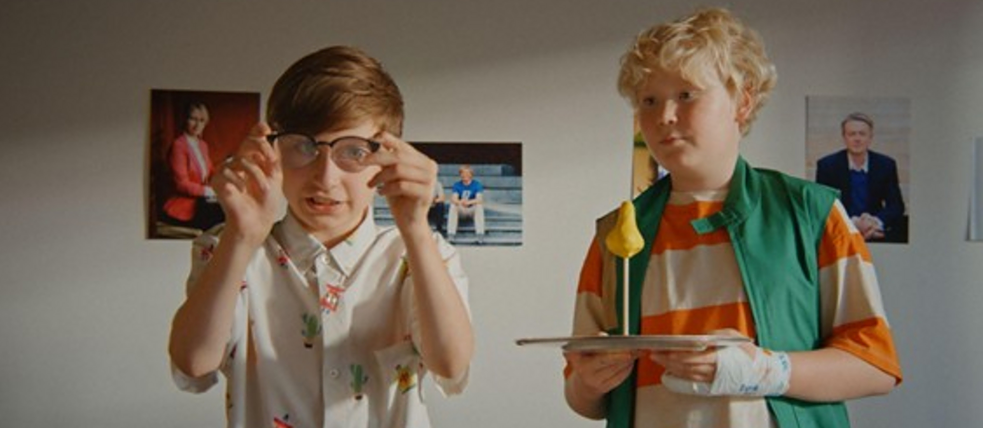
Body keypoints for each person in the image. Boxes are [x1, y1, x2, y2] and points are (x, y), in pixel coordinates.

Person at [563, 8, 902, 428]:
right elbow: (583, 399)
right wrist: (588, 381)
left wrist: (764, 370)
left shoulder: (813, 213)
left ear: (743, 101)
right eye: (649, 100)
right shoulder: (615, 235)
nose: (664, 115)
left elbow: (875, 365)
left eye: (686, 94)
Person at [168, 46, 473, 428]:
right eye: (303, 145)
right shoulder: (228, 248)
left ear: (388, 155)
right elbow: (194, 363)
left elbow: (450, 364)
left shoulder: (422, 253)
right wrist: (241, 236)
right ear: (272, 148)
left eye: (354, 151)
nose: (326, 178)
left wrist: (415, 228)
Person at [815, 112, 906, 241]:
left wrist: (875, 222)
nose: (857, 139)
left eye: (862, 134)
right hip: (840, 234)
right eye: (852, 134)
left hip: (875, 232)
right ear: (844, 137)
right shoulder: (827, 165)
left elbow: (896, 206)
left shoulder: (886, 165)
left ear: (870, 137)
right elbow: (822, 206)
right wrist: (853, 224)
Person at [162, 101, 224, 231]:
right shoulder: (178, 146)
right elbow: (181, 184)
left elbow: (210, 173)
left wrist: (224, 176)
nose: (197, 125)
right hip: (184, 207)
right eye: (193, 119)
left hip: (203, 202)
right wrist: (208, 191)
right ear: (185, 119)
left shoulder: (203, 145)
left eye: (201, 120)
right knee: (220, 219)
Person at [446, 164, 486, 243]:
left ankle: (480, 235)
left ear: (471, 175)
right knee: (453, 206)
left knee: (479, 206)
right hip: (461, 209)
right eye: (463, 173)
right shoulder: (457, 185)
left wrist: (469, 202)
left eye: (467, 173)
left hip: (471, 209)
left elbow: (479, 199)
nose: (465, 176)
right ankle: (451, 234)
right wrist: (460, 202)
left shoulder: (476, 184)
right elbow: (454, 198)